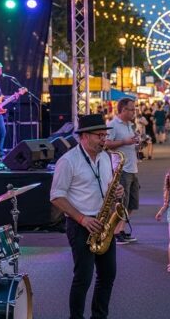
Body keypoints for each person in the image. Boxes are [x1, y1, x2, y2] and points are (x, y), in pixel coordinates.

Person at [50, 114, 124, 319]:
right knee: (83, 277)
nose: (104, 139)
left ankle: (99, 316)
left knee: (108, 275)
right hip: (80, 224)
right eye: (99, 135)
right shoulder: (68, 161)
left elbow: (107, 186)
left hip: (103, 222)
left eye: (105, 135)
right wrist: (82, 219)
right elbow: (56, 196)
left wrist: (117, 190)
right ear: (84, 136)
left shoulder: (105, 157)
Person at [106, 98, 140, 245]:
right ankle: (115, 232)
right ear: (123, 109)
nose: (134, 112)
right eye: (132, 109)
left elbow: (130, 144)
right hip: (121, 169)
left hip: (132, 167)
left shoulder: (130, 125)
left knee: (132, 203)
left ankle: (120, 230)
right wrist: (124, 142)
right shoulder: (113, 125)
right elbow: (106, 144)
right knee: (121, 203)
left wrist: (137, 144)